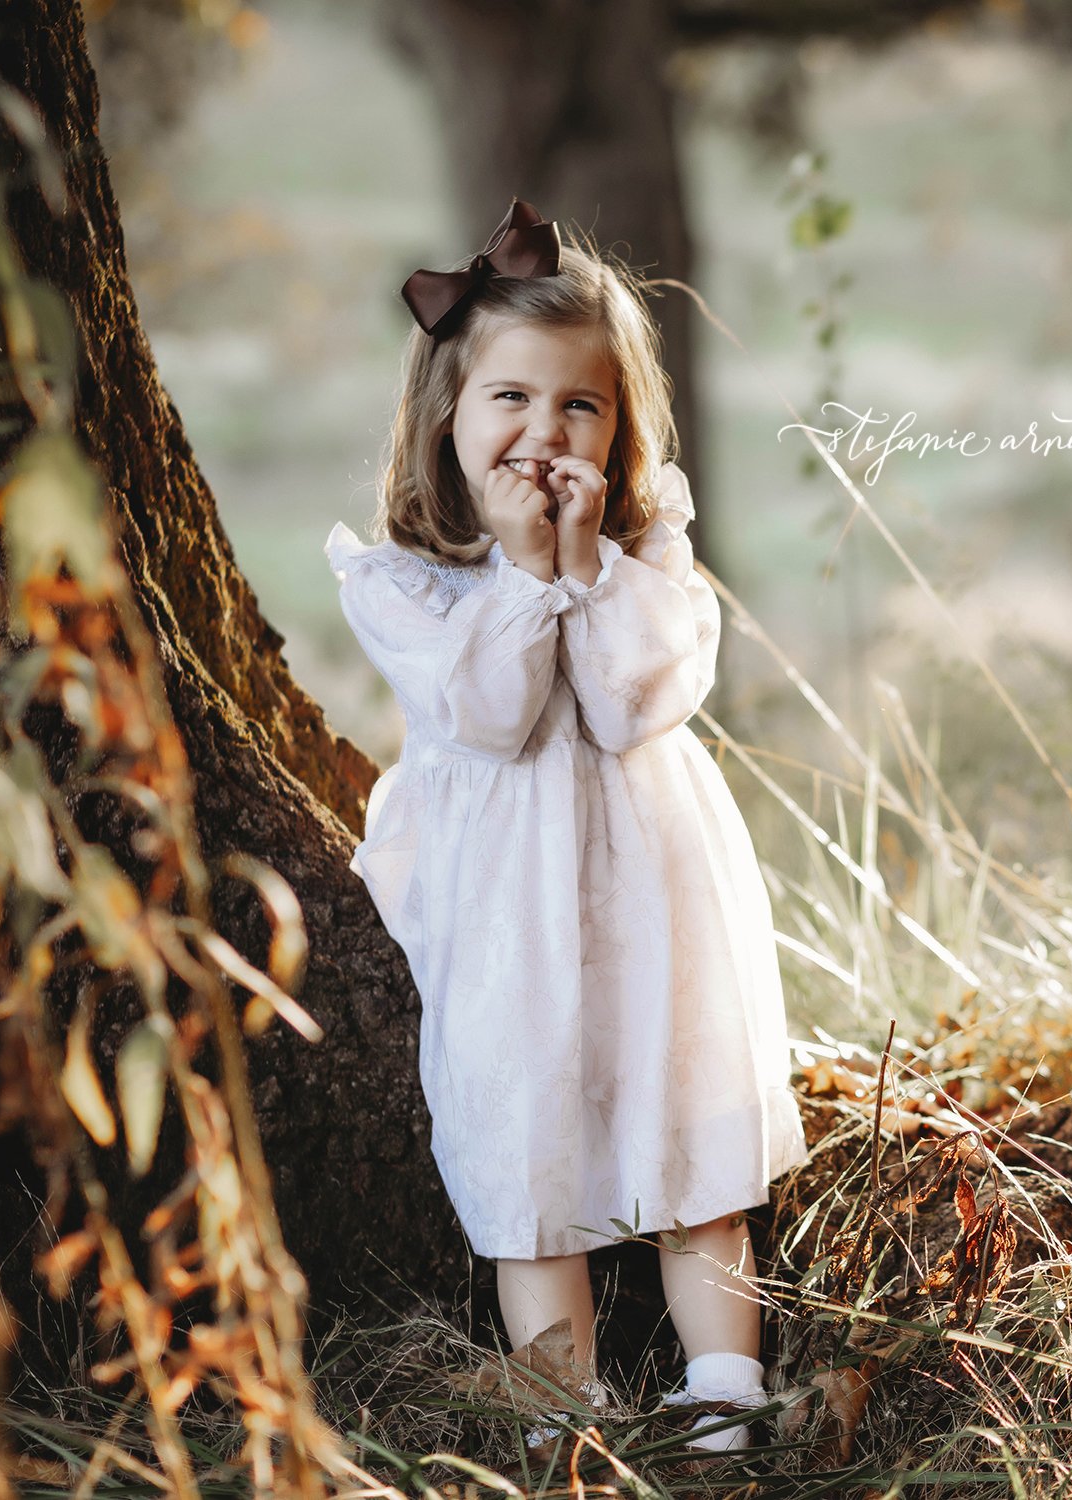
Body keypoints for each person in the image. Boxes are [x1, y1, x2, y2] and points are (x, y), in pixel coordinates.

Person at [323, 199, 809, 1453]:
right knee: (522, 1140)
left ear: (621, 425)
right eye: (512, 402)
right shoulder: (414, 583)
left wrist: (585, 558)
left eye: (578, 408)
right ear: (449, 415)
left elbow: (636, 699)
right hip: (506, 908)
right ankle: (563, 1414)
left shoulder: (650, 554)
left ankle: (725, 1395)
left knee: (690, 1119)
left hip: (653, 889)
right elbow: (489, 715)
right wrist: (524, 572)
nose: (545, 433)